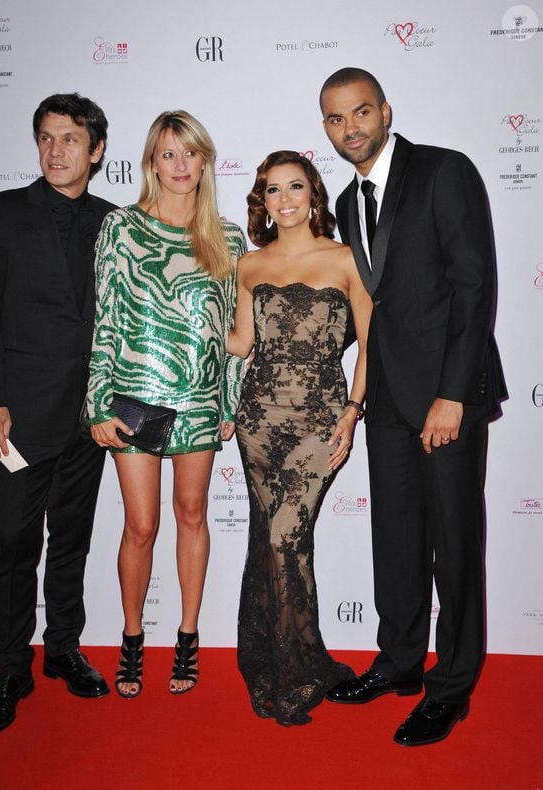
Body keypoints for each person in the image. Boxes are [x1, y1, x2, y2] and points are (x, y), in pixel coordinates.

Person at [320, 68, 507, 746]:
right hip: (390, 401)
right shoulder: (347, 201)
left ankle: (451, 686)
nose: (352, 128)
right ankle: (399, 661)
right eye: (337, 120)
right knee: (395, 539)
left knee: (454, 544)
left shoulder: (443, 172)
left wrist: (453, 394)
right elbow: (376, 310)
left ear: (385, 109)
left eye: (362, 112)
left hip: (445, 396)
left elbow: (473, 286)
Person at [0, 93, 116, 737]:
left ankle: (62, 649)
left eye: (70, 140)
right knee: (15, 544)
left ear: (97, 151)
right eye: (46, 138)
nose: (56, 151)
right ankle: (10, 667)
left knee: (73, 539)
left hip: (90, 419)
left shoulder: (116, 222)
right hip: (18, 416)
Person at [85, 110, 245, 698]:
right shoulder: (121, 229)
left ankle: (187, 635)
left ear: (205, 160)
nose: (180, 166)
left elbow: (229, 330)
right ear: (151, 162)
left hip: (200, 397)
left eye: (191, 153)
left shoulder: (227, 237)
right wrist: (99, 400)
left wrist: (228, 400)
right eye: (168, 154)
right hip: (133, 397)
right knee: (142, 524)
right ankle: (131, 638)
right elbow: (104, 319)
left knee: (193, 512)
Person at [227, 150, 373, 726]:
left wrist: (352, 412)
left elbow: (371, 344)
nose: (284, 199)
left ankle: (296, 675)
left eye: (295, 187)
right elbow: (241, 343)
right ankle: (284, 660)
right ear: (261, 200)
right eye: (272, 190)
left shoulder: (345, 260)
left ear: (313, 193)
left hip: (319, 421)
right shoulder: (248, 265)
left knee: (287, 538)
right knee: (269, 541)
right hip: (257, 420)